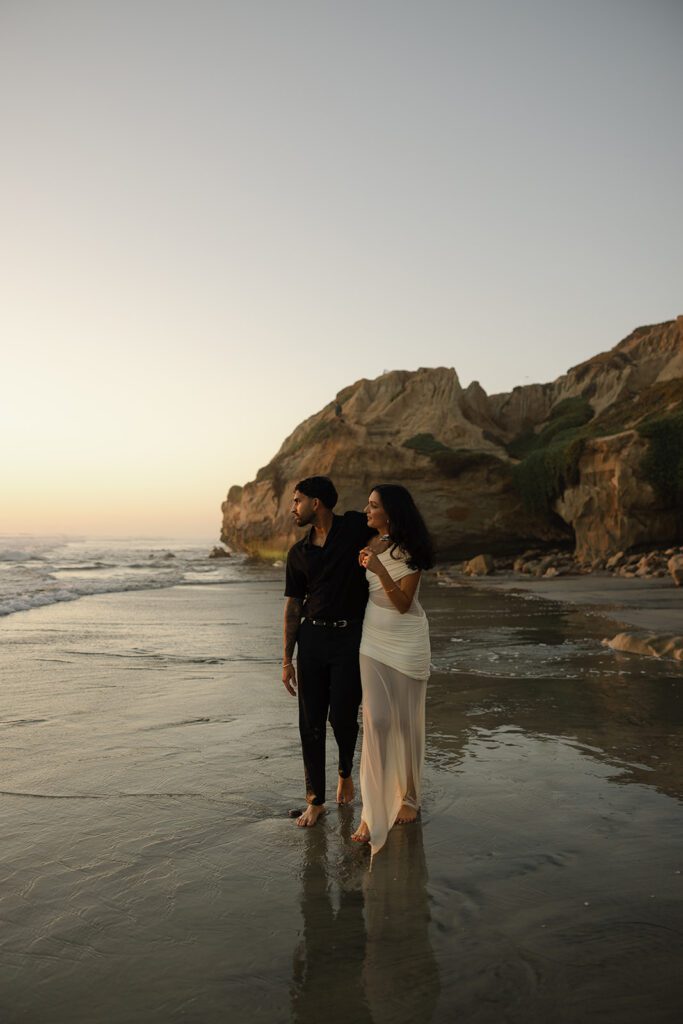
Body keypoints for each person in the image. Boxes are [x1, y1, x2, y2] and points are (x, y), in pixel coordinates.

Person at [283, 476, 375, 827]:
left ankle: (344, 771)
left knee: (342, 715)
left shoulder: (352, 526)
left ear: (316, 503)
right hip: (312, 641)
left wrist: (374, 551)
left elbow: (384, 531)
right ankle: (315, 801)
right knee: (311, 722)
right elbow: (293, 607)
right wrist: (286, 659)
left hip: (350, 637)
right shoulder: (298, 553)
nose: (294, 508)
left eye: (297, 501)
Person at [351, 484, 434, 856]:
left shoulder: (411, 552)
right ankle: (370, 810)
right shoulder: (372, 541)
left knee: (405, 721)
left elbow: (402, 603)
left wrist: (380, 569)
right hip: (373, 639)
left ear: (391, 512)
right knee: (376, 720)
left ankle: (410, 797)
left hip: (407, 639)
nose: (367, 510)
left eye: (373, 506)